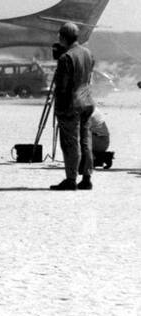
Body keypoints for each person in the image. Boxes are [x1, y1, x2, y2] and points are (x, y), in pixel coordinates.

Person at [50, 22, 94, 190]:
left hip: (71, 104)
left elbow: (62, 86)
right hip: (87, 101)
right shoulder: (88, 53)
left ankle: (71, 179)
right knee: (85, 140)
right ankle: (87, 177)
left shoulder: (66, 57)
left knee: (70, 142)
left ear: (63, 37)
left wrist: (59, 108)